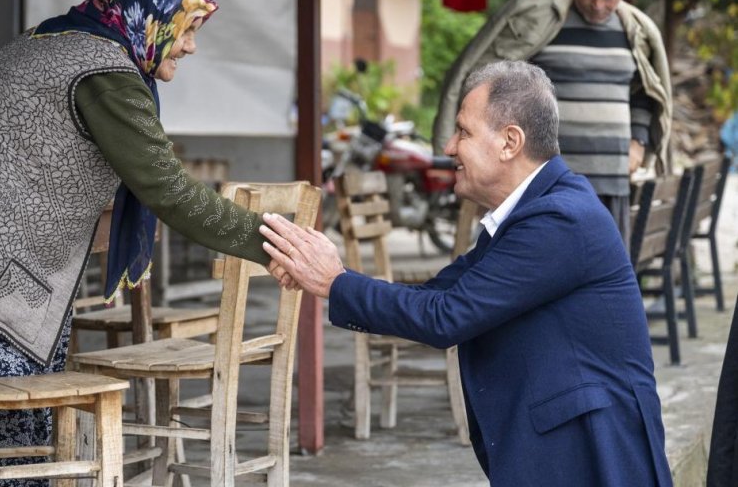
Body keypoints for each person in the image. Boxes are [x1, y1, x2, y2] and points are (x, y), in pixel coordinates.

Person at [0, 0, 271, 483]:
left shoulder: (53, 37)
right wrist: (273, 240)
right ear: (148, 18)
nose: (190, 48)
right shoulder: (105, 72)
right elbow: (169, 191)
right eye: (187, 31)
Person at [261, 61, 673, 486]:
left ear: (510, 142)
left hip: (594, 455)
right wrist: (325, 274)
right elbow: (438, 294)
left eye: (463, 131)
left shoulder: (558, 219)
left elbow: (445, 317)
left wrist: (334, 282)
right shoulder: (537, 210)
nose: (449, 146)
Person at [432, 0, 672, 246]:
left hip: (610, 181)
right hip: (546, 186)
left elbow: (644, 94)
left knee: (599, 278)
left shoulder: (634, 31)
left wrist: (638, 143)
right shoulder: (540, 21)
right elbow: (501, 89)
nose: (598, 5)